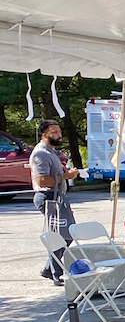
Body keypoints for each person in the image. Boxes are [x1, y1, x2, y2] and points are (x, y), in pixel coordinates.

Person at [31, 118, 79, 283]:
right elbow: (41, 181)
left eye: (59, 132)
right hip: (48, 197)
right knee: (61, 235)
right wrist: (67, 176)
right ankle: (56, 273)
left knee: (66, 234)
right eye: (55, 132)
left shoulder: (51, 151)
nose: (59, 135)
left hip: (58, 196)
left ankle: (48, 269)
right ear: (44, 135)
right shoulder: (40, 154)